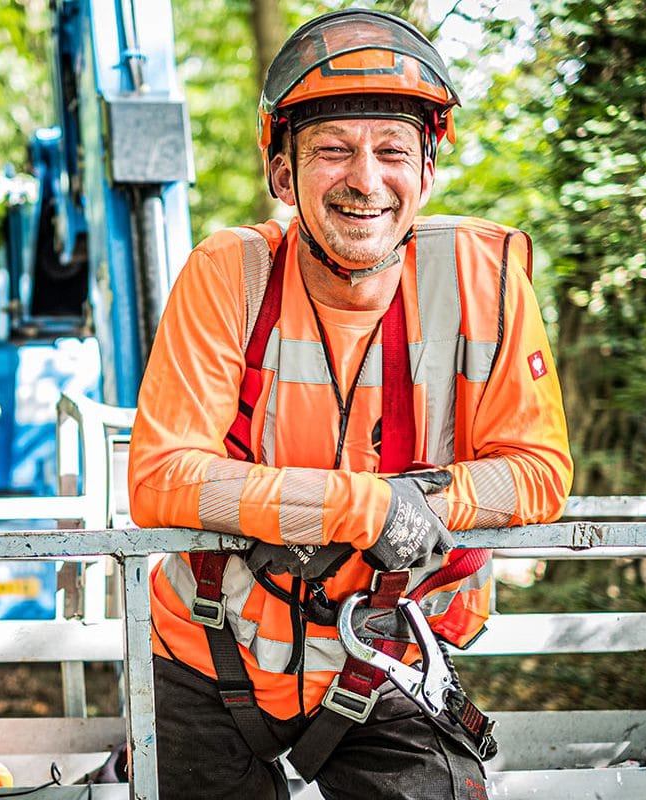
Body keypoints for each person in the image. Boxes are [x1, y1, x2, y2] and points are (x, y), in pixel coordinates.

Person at [126, 8, 573, 799]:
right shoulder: (230, 274)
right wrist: (364, 508)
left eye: (392, 150)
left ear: (428, 171)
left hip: (389, 656)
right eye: (333, 149)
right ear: (283, 171)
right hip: (206, 654)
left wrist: (421, 499)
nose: (365, 178)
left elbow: (537, 474)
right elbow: (161, 479)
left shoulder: (483, 282)